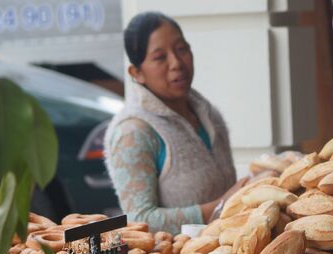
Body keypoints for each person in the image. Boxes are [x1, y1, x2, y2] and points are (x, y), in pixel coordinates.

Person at [104, 12, 246, 234]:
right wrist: (222, 205)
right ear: (137, 73)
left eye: (182, 49)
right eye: (160, 57)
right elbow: (138, 220)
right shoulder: (133, 132)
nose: (176, 63)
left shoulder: (209, 116)